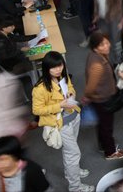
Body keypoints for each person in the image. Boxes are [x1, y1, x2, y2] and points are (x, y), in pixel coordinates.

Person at [32, 51, 94, 192]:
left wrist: (72, 93)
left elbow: (70, 87)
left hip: (73, 117)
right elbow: (37, 110)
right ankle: (75, 187)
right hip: (60, 124)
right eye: (53, 67)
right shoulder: (40, 88)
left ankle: (73, 171)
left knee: (69, 152)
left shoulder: (62, 76)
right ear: (46, 68)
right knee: (73, 153)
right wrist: (60, 105)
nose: (58, 69)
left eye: (60, 65)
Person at [84, 32, 123, 160]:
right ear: (95, 47)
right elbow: (90, 87)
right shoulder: (97, 65)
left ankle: (103, 145)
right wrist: (88, 97)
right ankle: (110, 152)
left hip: (99, 99)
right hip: (102, 100)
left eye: (107, 41)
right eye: (102, 44)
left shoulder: (95, 55)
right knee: (106, 126)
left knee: (102, 124)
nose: (107, 45)